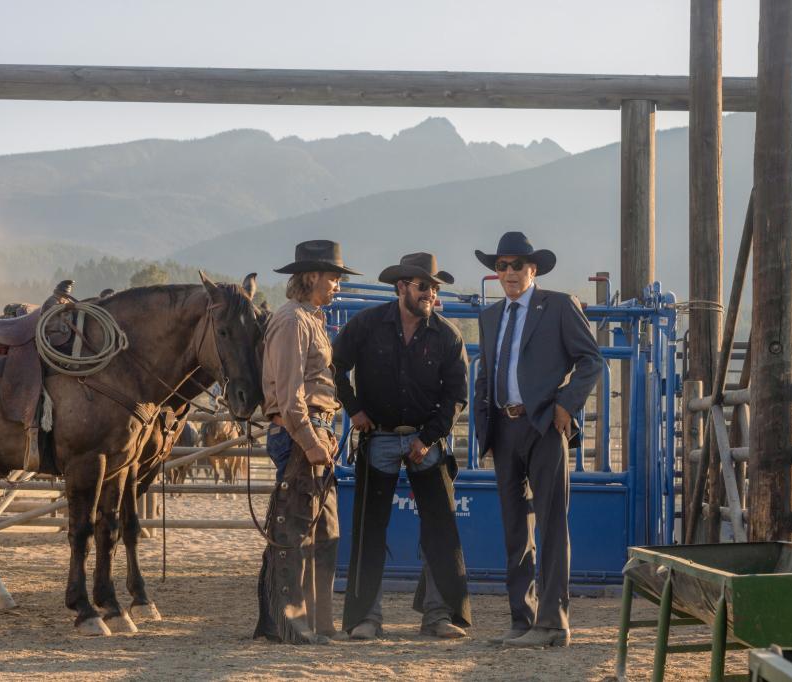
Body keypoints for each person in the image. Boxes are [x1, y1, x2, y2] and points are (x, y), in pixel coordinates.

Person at [473, 231, 602, 648]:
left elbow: (591, 360)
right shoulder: (491, 316)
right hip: (503, 428)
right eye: (501, 266)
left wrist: (566, 406)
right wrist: (485, 430)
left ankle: (552, 623)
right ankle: (521, 620)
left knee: (550, 523)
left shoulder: (560, 306)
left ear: (533, 269)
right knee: (515, 528)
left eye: (516, 265)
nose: (509, 273)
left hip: (545, 424)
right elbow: (485, 375)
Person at [333, 252, 472, 641]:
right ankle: (366, 618)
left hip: (425, 440)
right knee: (369, 528)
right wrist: (354, 408)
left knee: (440, 528)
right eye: (423, 285)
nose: (430, 292)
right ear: (401, 287)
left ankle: (438, 616)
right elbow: (335, 365)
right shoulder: (366, 325)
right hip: (377, 435)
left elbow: (456, 397)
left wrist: (428, 438)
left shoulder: (447, 335)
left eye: (433, 287)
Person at [253, 239, 361, 645]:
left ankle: (312, 622)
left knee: (321, 531)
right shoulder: (294, 321)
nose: (337, 284)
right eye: (333, 277)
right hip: (303, 435)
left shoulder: (307, 319)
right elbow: (289, 390)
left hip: (315, 433)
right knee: (296, 529)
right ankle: (290, 623)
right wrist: (311, 438)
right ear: (312, 276)